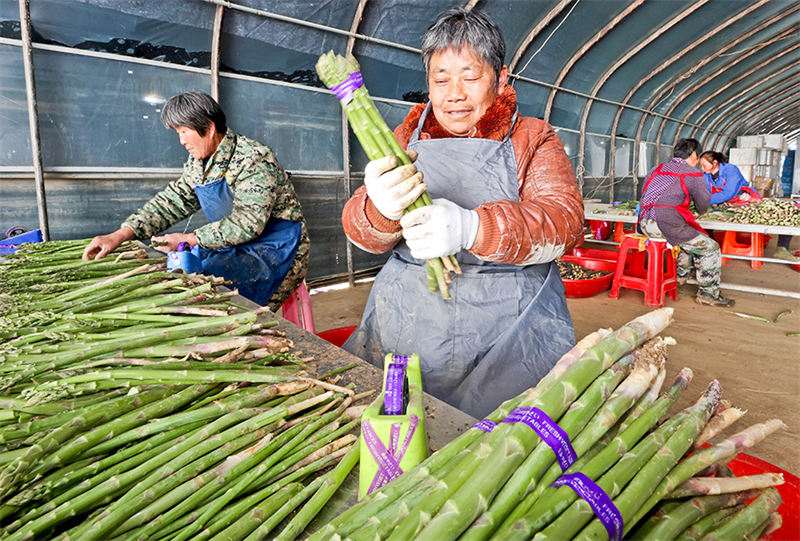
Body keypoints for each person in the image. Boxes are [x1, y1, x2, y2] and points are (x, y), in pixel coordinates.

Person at [340, 8, 584, 418]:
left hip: (508, 333)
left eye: (469, 77)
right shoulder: (405, 136)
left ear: (500, 77)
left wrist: (473, 227)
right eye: (440, 79)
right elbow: (362, 233)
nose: (454, 93)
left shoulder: (532, 136)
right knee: (397, 437)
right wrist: (378, 210)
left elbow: (564, 222)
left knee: (494, 452)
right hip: (408, 321)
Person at [83, 91, 309, 311]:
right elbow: (174, 200)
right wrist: (120, 235)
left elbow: (247, 222)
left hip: (275, 248)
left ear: (209, 129)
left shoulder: (252, 159)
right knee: (188, 282)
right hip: (233, 245)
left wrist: (190, 239)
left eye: (183, 132)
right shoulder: (198, 162)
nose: (181, 141)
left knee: (222, 301)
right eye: (177, 133)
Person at [637, 138, 734, 307]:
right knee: (710, 248)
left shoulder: (656, 169)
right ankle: (708, 294)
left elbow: (645, 193)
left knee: (688, 238)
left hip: (643, 223)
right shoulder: (691, 173)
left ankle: (680, 276)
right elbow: (703, 205)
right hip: (664, 225)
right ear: (694, 155)